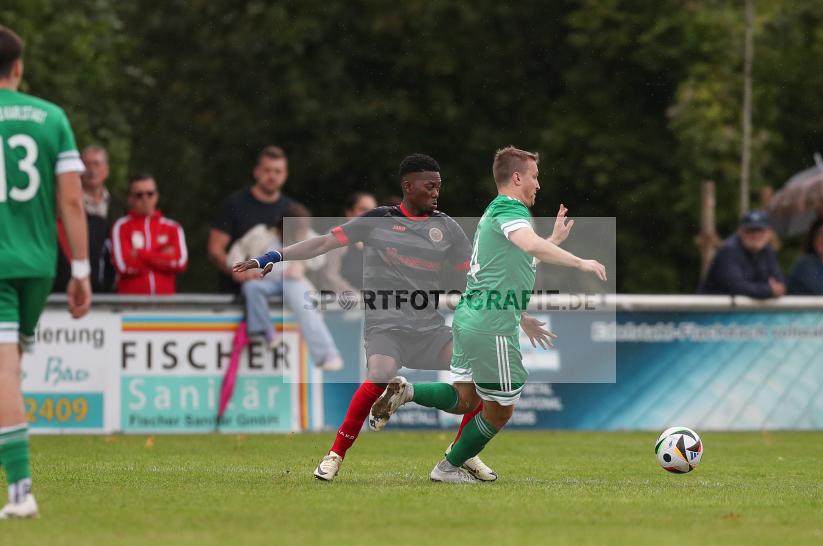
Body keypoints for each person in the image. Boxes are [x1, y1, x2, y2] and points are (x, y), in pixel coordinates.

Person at [234, 154, 555, 482]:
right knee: (380, 374)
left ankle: (463, 453)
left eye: (439, 186)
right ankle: (335, 454)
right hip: (385, 327)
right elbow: (324, 242)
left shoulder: (446, 227)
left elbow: (477, 278)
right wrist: (274, 256)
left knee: (479, 372)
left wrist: (519, 315)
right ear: (408, 186)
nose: (435, 192)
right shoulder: (377, 220)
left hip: (428, 329)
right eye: (429, 186)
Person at [367, 146, 607, 483]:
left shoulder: (495, 212)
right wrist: (580, 261)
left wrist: (553, 239)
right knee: (501, 410)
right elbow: (530, 246)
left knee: (466, 399)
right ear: (518, 177)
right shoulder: (510, 209)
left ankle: (408, 392)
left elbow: (519, 261)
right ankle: (447, 468)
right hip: (492, 324)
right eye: (535, 177)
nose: (538, 185)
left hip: (469, 318)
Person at [0, 26, 92, 518]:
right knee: (7, 367)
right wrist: (80, 269)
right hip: (37, 264)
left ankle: (20, 492)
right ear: (18, 67)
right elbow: (72, 198)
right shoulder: (51, 117)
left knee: (3, 371)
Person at [227, 203, 343, 370]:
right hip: (267, 282)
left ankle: (327, 353)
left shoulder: (307, 235)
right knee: (251, 288)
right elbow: (236, 252)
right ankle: (266, 333)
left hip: (293, 283)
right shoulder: (262, 234)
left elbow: (320, 258)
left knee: (305, 309)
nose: (302, 233)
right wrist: (242, 271)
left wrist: (303, 266)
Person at [208, 146, 299, 293]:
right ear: (256, 171)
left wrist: (299, 268)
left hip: (283, 299)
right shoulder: (235, 204)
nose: (272, 176)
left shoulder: (292, 210)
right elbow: (215, 250)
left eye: (278, 171)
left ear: (285, 174)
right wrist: (238, 270)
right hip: (236, 297)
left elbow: (308, 249)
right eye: (267, 170)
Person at [53, 145, 118, 292]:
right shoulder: (65, 203)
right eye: (86, 164)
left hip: (102, 287)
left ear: (106, 170)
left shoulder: (117, 206)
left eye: (96, 164)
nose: (91, 169)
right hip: (68, 282)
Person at [110, 174, 188, 294]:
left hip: (164, 304)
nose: (145, 198)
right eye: (139, 195)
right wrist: (161, 255)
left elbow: (180, 263)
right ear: (130, 198)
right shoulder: (121, 227)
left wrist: (141, 254)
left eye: (150, 194)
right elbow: (123, 266)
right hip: (131, 305)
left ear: (157, 196)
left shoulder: (173, 227)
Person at [699, 209, 785, 299]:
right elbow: (736, 287)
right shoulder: (728, 251)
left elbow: (780, 285)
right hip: (713, 310)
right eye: (750, 230)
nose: (755, 235)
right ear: (740, 231)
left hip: (743, 311)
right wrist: (769, 290)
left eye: (760, 230)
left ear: (769, 233)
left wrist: (768, 289)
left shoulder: (768, 251)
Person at [308, 192, 376, 296]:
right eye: (364, 209)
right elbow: (328, 277)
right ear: (349, 213)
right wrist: (358, 297)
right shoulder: (336, 236)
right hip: (338, 303)